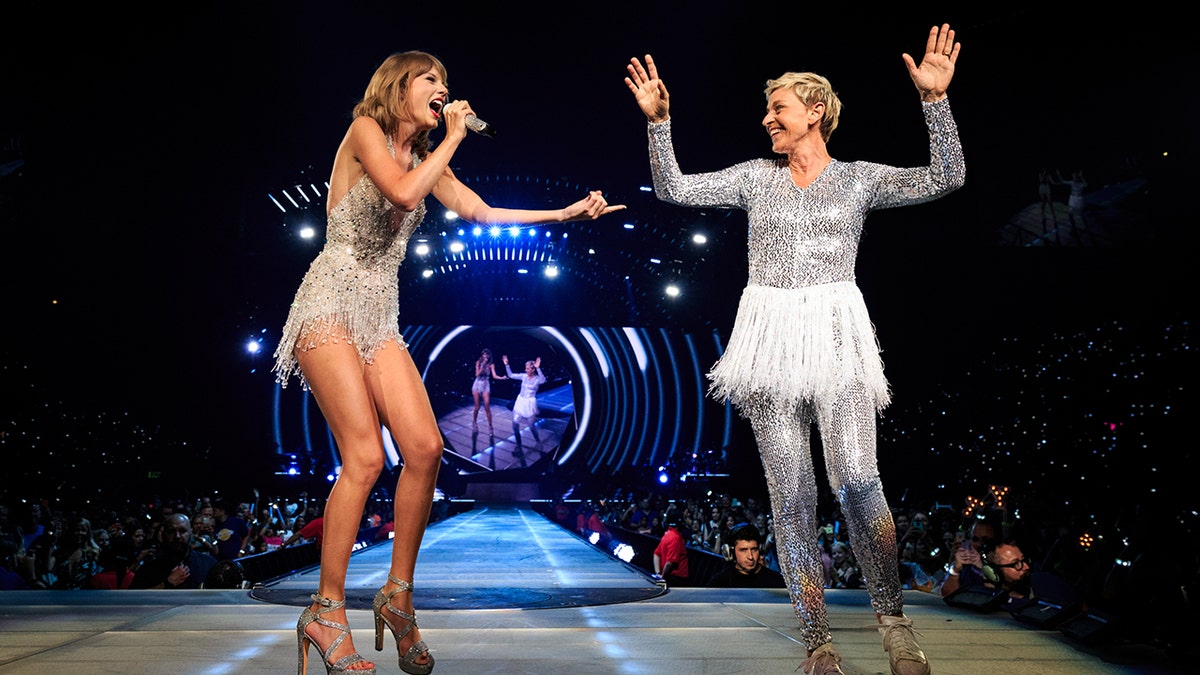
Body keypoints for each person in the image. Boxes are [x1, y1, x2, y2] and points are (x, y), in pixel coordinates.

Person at [271, 50, 624, 675]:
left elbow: (482, 212)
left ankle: (397, 596)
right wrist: (455, 136)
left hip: (380, 315)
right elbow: (403, 190)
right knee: (365, 455)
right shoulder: (366, 134)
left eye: (446, 84)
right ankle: (325, 612)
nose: (443, 92)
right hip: (328, 303)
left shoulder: (427, 162)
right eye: (432, 81)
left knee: (427, 448)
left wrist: (564, 214)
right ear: (398, 87)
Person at [626, 23, 963, 675]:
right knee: (793, 495)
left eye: (777, 107)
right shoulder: (756, 177)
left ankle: (894, 624)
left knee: (860, 480)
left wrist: (936, 102)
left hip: (836, 329)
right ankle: (819, 642)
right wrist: (659, 123)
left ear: (815, 112)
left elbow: (948, 175)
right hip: (770, 336)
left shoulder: (860, 179)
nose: (766, 118)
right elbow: (675, 189)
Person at [130, 513, 217, 590]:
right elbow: (134, 601)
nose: (177, 536)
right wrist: (166, 584)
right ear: (164, 535)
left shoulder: (208, 563)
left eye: (182, 531)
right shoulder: (149, 568)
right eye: (171, 531)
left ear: (190, 532)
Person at [707, 523, 786, 588]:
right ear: (731, 551)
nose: (750, 557)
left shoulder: (777, 581)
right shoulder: (719, 583)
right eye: (743, 550)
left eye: (754, 549)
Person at [502, 355, 547, 448]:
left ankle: (538, 441)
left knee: (531, 426)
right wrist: (507, 365)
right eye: (525, 368)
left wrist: (538, 368)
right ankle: (519, 444)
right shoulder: (523, 376)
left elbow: (543, 381)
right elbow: (511, 375)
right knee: (514, 424)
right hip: (520, 402)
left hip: (530, 403)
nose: (526, 370)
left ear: (533, 369)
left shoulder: (537, 378)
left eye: (528, 369)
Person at [471, 348, 506, 435]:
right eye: (484, 354)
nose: (486, 356)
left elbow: (494, 376)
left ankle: (490, 427)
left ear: (489, 356)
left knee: (487, 406)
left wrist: (501, 378)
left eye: (487, 354)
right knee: (477, 407)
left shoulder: (491, 364)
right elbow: (476, 374)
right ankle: (474, 422)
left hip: (486, 384)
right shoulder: (478, 362)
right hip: (477, 384)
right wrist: (482, 367)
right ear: (482, 355)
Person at [653, 511, 690, 587]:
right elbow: (670, 563)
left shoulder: (668, 534)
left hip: (671, 578)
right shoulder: (675, 538)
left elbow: (656, 554)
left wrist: (658, 573)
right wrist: (662, 578)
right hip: (676, 579)